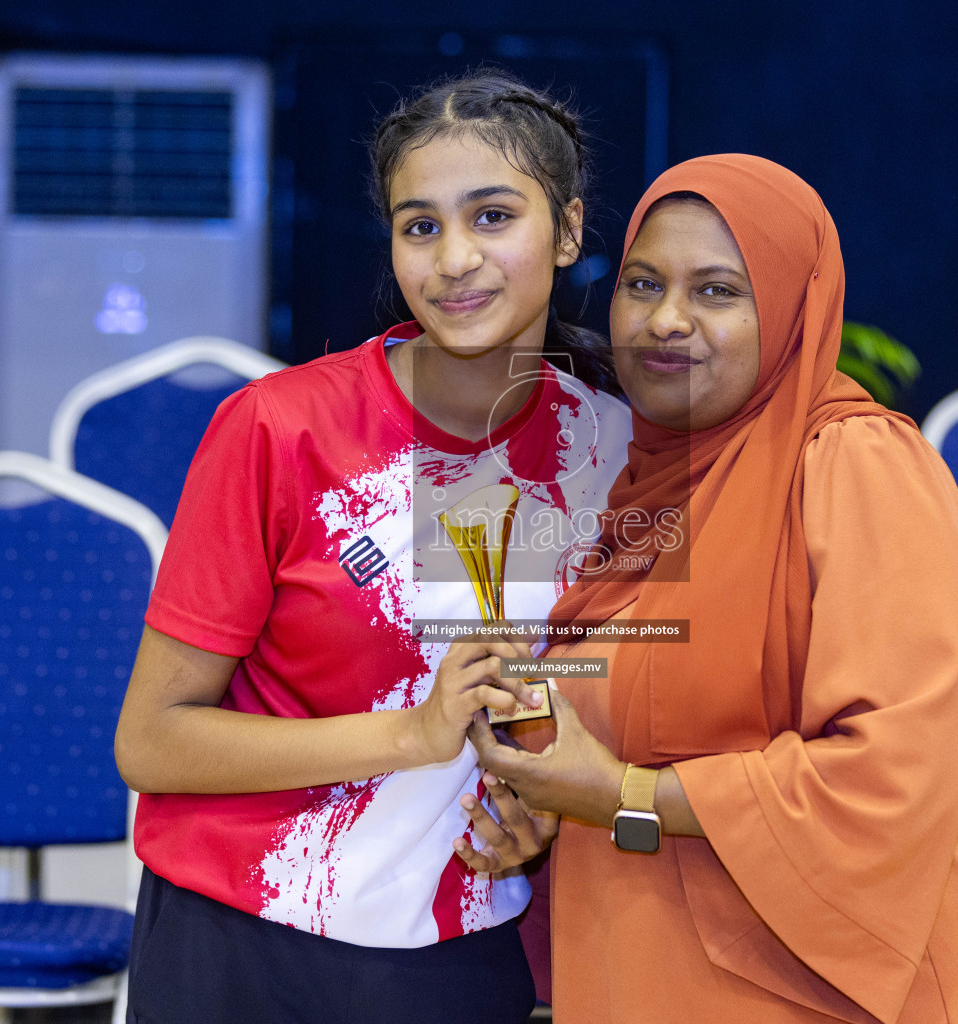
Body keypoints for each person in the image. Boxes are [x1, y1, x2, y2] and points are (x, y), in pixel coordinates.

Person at [460, 154, 958, 1022]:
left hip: (841, 997)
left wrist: (617, 794)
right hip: (647, 978)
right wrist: (540, 820)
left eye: (719, 291)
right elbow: (613, 725)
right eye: (643, 283)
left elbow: (889, 772)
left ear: (792, 309)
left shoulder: (856, 465)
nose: (666, 321)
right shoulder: (631, 485)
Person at [113, 71, 631, 1024]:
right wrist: (412, 734)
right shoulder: (278, 430)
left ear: (566, 231)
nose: (454, 260)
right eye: (420, 225)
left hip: (457, 947)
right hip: (242, 937)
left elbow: (598, 708)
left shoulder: (612, 454)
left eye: (492, 216)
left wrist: (545, 817)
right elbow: (151, 740)